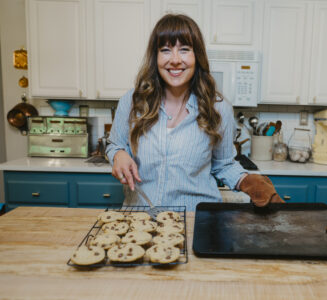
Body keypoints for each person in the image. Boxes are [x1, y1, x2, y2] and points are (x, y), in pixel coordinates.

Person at [106, 14, 283, 211]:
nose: (175, 60)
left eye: (184, 50)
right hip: (140, 221)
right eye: (165, 50)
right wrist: (118, 154)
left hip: (196, 220)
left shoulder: (218, 108)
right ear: (155, 57)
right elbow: (114, 144)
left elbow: (224, 164)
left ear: (197, 55)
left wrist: (250, 182)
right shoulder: (132, 102)